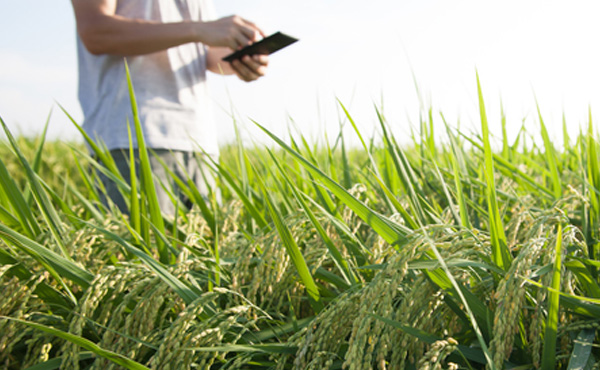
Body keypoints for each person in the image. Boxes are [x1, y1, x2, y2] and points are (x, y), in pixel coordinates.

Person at [70, 0, 269, 215]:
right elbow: (96, 32)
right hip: (136, 139)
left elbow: (203, 54)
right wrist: (199, 29)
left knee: (208, 245)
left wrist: (242, 60)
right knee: (144, 247)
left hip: (200, 142)